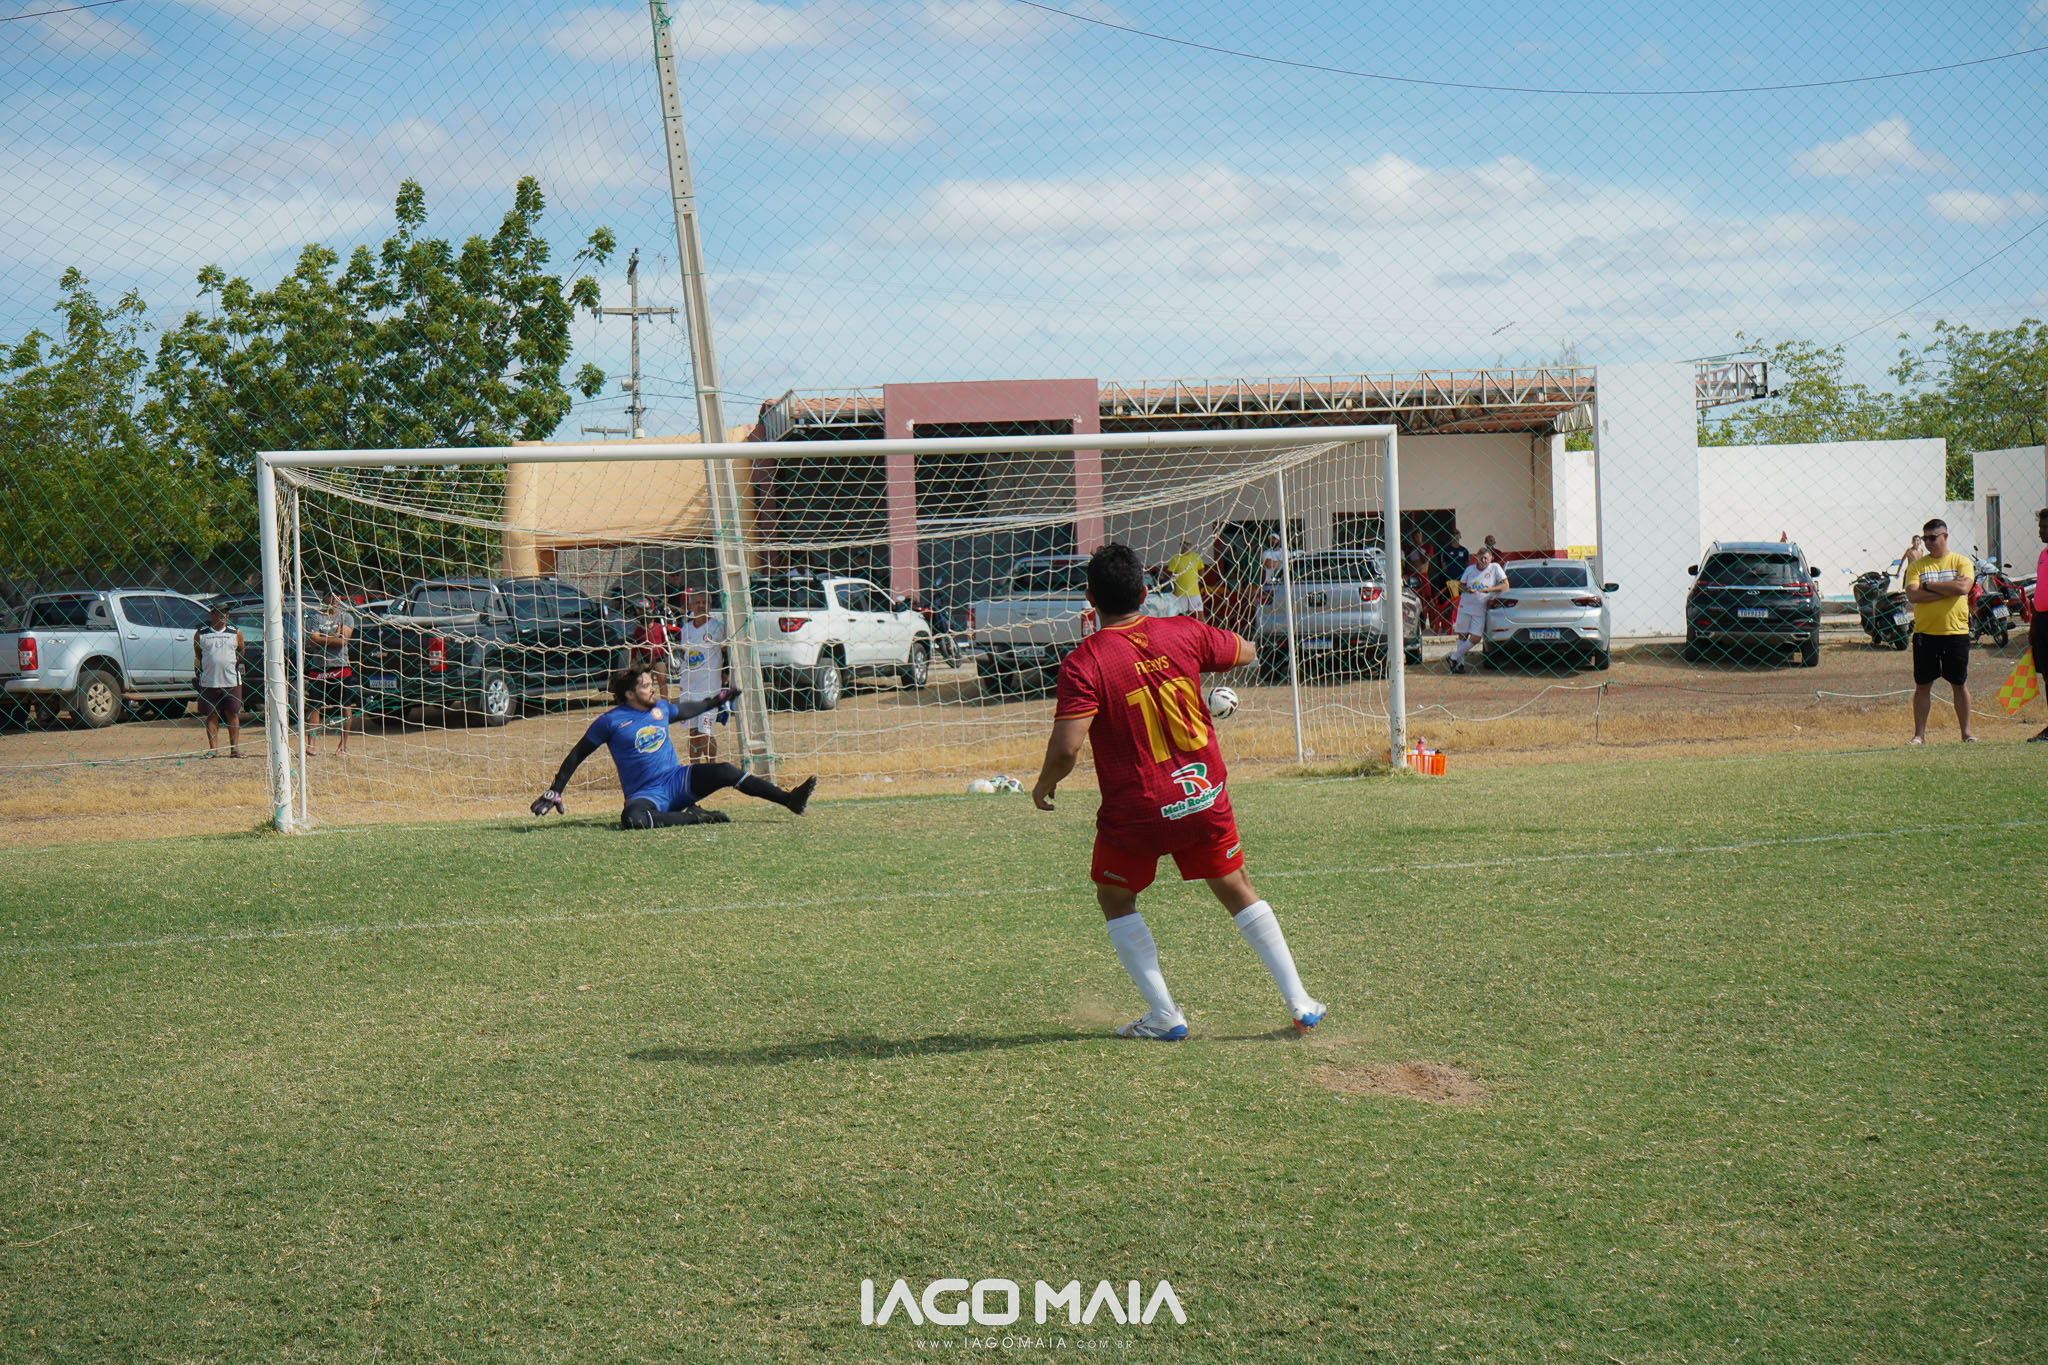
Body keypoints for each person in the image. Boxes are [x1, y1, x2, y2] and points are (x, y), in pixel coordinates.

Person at [1030, 542, 1325, 1041]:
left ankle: (1165, 1014)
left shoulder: (1085, 662)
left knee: (1115, 897)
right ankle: (1300, 1001)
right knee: (1236, 886)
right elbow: (1246, 650)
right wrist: (1198, 660)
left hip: (1138, 808)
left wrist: (1045, 784)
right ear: (1146, 593)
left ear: (1089, 598)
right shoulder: (1182, 631)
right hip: (1203, 793)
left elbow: (1066, 749)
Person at [531, 665, 816, 828]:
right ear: (629, 694)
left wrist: (718, 700)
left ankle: (789, 800)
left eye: (651, 684)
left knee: (726, 771)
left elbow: (691, 708)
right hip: (647, 794)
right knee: (632, 819)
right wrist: (555, 789)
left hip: (678, 781)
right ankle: (693, 817)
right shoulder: (610, 722)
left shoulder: (661, 709)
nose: (652, 689)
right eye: (646, 686)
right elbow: (577, 755)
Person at [1902, 518, 1975, 744]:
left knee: (1959, 683)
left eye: (1933, 538)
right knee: (1923, 685)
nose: (1928, 543)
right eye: (1925, 538)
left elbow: (1963, 587)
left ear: (1945, 536)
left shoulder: (1961, 562)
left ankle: (1966, 733)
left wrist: (1928, 586)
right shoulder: (1917, 566)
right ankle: (1919, 735)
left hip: (1956, 632)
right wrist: (1948, 589)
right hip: (1925, 633)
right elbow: (1913, 595)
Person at [672, 589, 730, 761]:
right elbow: (687, 656)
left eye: (704, 602)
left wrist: (725, 672)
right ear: (690, 606)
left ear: (710, 606)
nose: (701, 606)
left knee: (706, 731)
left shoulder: (717, 627)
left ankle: (711, 765)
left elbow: (726, 651)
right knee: (693, 733)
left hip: (709, 689)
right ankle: (695, 767)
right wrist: (682, 684)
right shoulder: (686, 629)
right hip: (689, 689)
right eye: (697, 602)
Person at [305, 588, 357, 756]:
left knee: (345, 706)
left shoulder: (346, 617)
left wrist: (323, 638)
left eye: (338, 595)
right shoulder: (315, 616)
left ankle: (343, 746)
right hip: (319, 667)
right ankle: (311, 745)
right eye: (331, 595)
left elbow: (343, 641)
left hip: (340, 666)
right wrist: (334, 636)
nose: (335, 598)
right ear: (324, 597)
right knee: (314, 706)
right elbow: (312, 641)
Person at [192, 603, 246, 758]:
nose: (224, 615)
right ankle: (213, 749)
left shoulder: (235, 632)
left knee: (232, 713)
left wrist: (232, 663)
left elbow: (241, 649)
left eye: (226, 612)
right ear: (212, 613)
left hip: (231, 681)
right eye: (220, 612)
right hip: (209, 681)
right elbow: (198, 653)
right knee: (211, 714)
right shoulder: (201, 633)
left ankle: (234, 748)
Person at [1449, 547, 1507, 673]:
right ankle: (1460, 665)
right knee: (1462, 634)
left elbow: (1505, 585)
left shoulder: (1495, 568)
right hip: (1465, 605)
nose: (1483, 561)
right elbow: (1461, 586)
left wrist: (1487, 590)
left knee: (1476, 638)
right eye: (1481, 558)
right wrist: (1468, 590)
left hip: (1480, 607)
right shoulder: (1470, 569)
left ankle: (1453, 656)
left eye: (1486, 558)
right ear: (1476, 558)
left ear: (1491, 558)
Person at [2031, 508, 2048, 742]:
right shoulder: (2043, 554)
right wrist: (2034, 627)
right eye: (2040, 527)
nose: (2041, 532)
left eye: (2045, 528)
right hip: (2042, 621)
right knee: (2047, 676)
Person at [1164, 539, 1205, 618]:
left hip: (1194, 592)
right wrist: (1173, 589)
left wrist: (1199, 578)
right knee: (1182, 615)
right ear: (1180, 545)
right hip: (1180, 592)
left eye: (1188, 544)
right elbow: (1170, 575)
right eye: (1184, 544)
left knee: (1200, 614)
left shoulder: (1196, 557)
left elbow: (1201, 569)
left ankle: (1202, 627)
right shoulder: (1175, 559)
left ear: (1191, 545)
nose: (1186, 546)